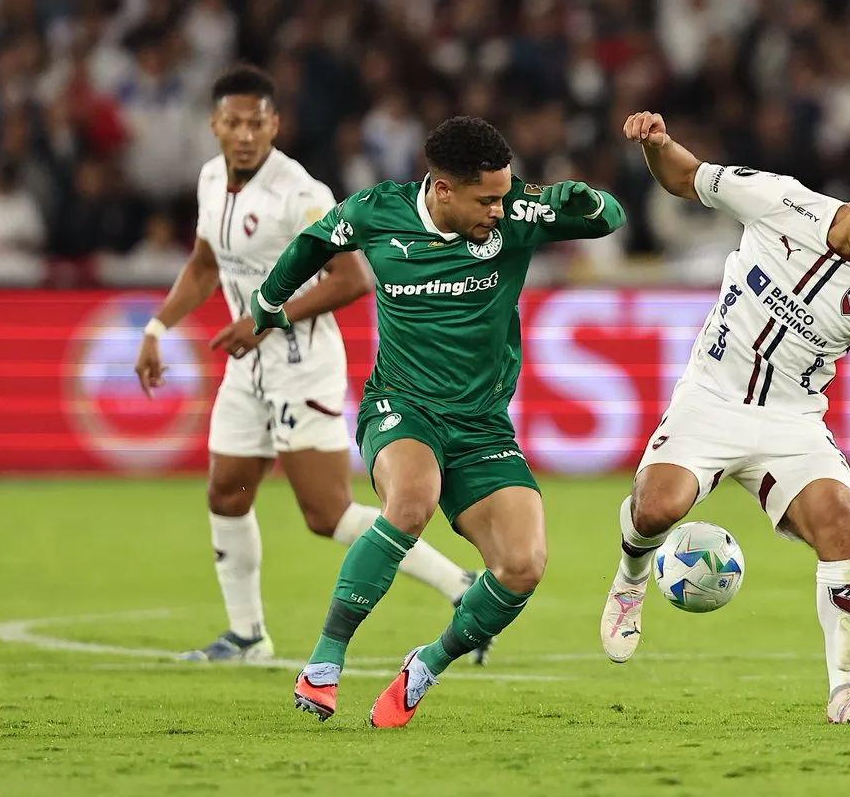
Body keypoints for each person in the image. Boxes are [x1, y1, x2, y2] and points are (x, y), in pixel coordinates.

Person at [249, 115, 626, 726]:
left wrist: (590, 202)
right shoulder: (378, 211)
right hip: (402, 407)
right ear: (443, 189)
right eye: (487, 199)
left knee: (523, 565)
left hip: (482, 427)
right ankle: (324, 661)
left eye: (504, 195)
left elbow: (609, 217)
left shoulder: (517, 211)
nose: (499, 210)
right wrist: (270, 300)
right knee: (411, 502)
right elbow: (315, 243)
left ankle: (427, 664)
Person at [599, 111, 850, 726]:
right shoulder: (781, 201)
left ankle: (846, 693)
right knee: (655, 510)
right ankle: (631, 579)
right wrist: (657, 144)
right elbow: (685, 177)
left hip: (793, 424)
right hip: (710, 399)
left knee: (839, 527)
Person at [133, 65, 485, 664]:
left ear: (275, 124)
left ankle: (460, 586)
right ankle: (247, 636)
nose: (246, 134)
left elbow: (351, 278)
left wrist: (266, 316)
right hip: (247, 367)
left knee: (326, 512)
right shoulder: (211, 179)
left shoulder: (301, 193)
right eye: (234, 123)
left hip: (301, 363)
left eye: (257, 123)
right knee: (226, 494)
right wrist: (157, 328)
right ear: (215, 124)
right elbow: (204, 265)